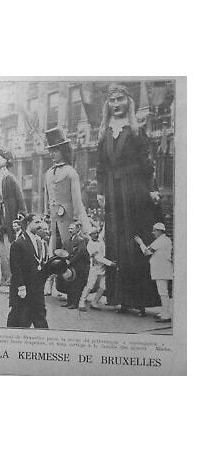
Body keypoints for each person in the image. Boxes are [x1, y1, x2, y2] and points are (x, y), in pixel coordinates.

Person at [96, 84, 163, 314]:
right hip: (114, 195)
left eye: (120, 100)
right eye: (112, 100)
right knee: (115, 241)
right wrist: (100, 191)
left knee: (135, 241)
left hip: (134, 191)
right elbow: (101, 166)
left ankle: (139, 299)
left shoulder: (135, 130)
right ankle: (120, 298)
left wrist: (152, 188)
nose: (116, 104)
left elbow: (147, 163)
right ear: (108, 104)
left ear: (128, 102)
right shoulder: (103, 133)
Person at [44, 128, 91, 255]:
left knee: (69, 249)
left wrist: (78, 221)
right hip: (54, 220)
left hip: (68, 217)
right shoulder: (48, 173)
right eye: (50, 151)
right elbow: (47, 198)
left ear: (63, 151)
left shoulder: (71, 172)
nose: (51, 154)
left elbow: (77, 201)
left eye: (55, 151)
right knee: (54, 250)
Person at [0, 148, 27, 285]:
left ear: (6, 160)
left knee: (12, 245)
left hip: (11, 212)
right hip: (1, 214)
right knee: (3, 246)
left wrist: (21, 212)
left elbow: (19, 196)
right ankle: (6, 276)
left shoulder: (10, 178)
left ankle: (15, 277)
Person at [7, 213, 49, 329]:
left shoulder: (40, 242)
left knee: (40, 320)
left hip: (37, 290)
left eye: (40, 222)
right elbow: (15, 267)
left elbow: (41, 263)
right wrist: (21, 286)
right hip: (24, 289)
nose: (40, 225)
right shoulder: (19, 243)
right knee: (20, 320)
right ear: (28, 223)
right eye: (37, 222)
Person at [134, 223, 173, 323]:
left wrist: (141, 243)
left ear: (160, 231)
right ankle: (164, 312)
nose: (153, 232)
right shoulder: (166, 240)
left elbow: (147, 252)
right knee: (163, 293)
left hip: (161, 270)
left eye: (154, 230)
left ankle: (166, 315)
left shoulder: (160, 241)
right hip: (163, 269)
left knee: (163, 293)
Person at [78, 228, 116, 311]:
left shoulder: (101, 241)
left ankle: (94, 302)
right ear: (90, 235)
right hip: (94, 268)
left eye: (97, 233)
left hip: (103, 268)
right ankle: (81, 303)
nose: (96, 234)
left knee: (103, 286)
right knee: (89, 286)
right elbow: (97, 258)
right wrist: (110, 263)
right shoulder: (90, 245)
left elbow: (103, 254)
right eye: (94, 233)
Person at [62, 222, 90, 309]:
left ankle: (74, 303)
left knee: (76, 285)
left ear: (77, 229)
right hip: (69, 267)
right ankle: (69, 301)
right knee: (69, 284)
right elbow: (63, 251)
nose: (70, 230)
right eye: (69, 228)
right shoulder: (67, 240)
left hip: (78, 267)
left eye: (72, 228)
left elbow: (80, 253)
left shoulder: (81, 240)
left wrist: (70, 261)